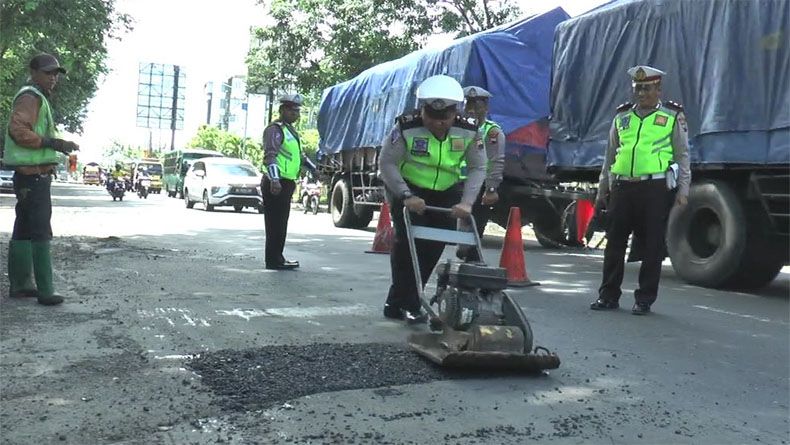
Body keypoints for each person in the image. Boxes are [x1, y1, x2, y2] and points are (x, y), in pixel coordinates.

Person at [378, 75, 487, 322]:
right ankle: (411, 304)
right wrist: (406, 195)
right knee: (408, 246)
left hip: (447, 191)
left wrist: (467, 202)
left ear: (455, 113)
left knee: (433, 247)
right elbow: (387, 162)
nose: (438, 124)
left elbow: (478, 167)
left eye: (444, 119)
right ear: (422, 110)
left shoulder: (469, 129)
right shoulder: (406, 127)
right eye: (432, 117)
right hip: (408, 189)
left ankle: (398, 302)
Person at [590, 65, 690, 315]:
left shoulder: (671, 116)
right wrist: (602, 189)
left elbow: (682, 155)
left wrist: (683, 190)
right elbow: (610, 155)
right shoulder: (622, 117)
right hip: (623, 187)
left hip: (655, 188)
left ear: (658, 89)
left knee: (652, 246)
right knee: (614, 243)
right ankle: (608, 295)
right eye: (637, 88)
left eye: (646, 88)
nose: (641, 93)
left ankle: (644, 299)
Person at [3, 53, 79, 305]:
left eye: (56, 73)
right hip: (32, 177)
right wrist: (50, 142)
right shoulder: (30, 97)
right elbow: (18, 130)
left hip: (30, 175)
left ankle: (22, 285)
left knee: (23, 229)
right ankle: (45, 290)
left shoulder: (36, 98)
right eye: (48, 73)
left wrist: (53, 148)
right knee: (40, 230)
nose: (53, 77)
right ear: (33, 72)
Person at [261, 94, 317, 270]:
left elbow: (299, 157)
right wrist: (275, 179)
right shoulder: (274, 129)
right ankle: (273, 260)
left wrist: (315, 169)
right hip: (275, 182)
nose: (296, 114)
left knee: (281, 223)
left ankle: (278, 257)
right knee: (274, 223)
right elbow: (270, 156)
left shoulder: (290, 131)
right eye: (293, 111)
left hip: (286, 182)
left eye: (298, 111)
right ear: (283, 110)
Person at [456, 86, 505, 262]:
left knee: (475, 224)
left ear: (485, 108)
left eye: (477, 105)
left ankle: (472, 258)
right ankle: (466, 251)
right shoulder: (455, 128)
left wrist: (491, 188)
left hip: (478, 185)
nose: (471, 109)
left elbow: (496, 160)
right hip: (454, 183)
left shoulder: (492, 132)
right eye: (468, 104)